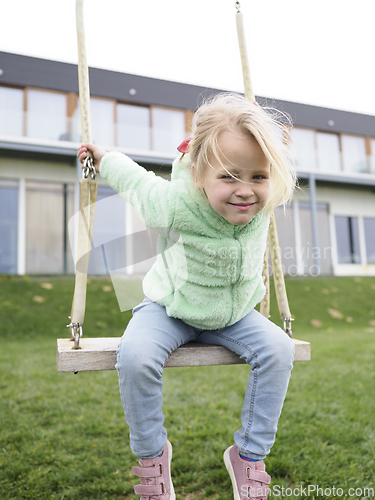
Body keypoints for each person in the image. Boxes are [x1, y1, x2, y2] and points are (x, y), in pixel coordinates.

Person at [77, 92, 297, 500]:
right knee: (136, 356)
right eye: (229, 177)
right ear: (199, 174)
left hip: (233, 315)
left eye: (258, 177)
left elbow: (277, 157)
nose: (245, 191)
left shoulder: (265, 203)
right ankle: (152, 459)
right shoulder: (175, 204)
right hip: (169, 308)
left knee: (279, 350)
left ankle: (248, 458)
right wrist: (104, 157)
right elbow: (138, 183)